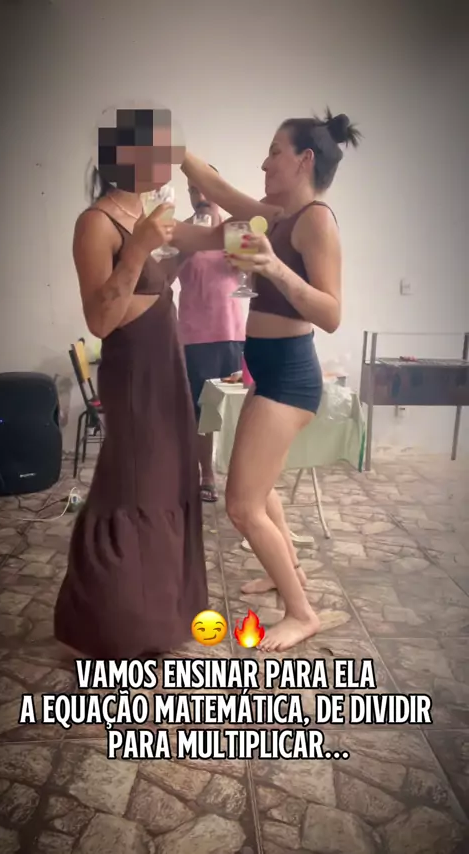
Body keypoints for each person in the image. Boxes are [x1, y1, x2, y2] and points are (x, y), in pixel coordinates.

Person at [178, 109, 361, 652]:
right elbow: (217, 189)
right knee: (259, 490)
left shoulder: (315, 220)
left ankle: (302, 613)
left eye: (275, 152)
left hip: (291, 376)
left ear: (304, 159)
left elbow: (331, 314)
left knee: (242, 505)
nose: (264, 163)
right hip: (265, 367)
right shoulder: (276, 215)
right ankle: (290, 574)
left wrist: (274, 267)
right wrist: (167, 145)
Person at [54, 107, 221, 658]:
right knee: (135, 486)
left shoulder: (151, 211)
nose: (170, 158)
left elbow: (218, 237)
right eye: (162, 149)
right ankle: (116, 623)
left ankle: (158, 613)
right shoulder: (96, 223)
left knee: (166, 482)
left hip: (165, 364)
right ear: (129, 155)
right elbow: (101, 319)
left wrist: (232, 208)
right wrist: (140, 247)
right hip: (133, 374)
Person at [178, 166, 245, 502]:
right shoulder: (180, 231)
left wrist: (244, 260)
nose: (200, 196)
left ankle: (241, 476)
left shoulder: (236, 228)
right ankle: (207, 474)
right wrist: (188, 245)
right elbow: (164, 276)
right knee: (203, 411)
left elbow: (252, 278)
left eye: (204, 188)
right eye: (193, 190)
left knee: (237, 411)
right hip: (195, 337)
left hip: (234, 333)